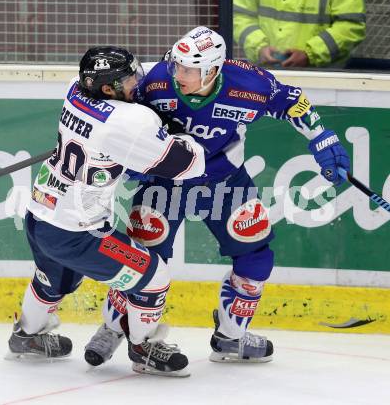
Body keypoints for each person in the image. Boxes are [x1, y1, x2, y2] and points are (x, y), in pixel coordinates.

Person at [84, 26, 350, 364]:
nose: (177, 74)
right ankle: (112, 327)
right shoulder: (154, 81)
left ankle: (231, 337)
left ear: (212, 70)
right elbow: (111, 112)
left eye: (187, 69)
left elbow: (292, 100)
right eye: (175, 64)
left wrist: (323, 138)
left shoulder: (249, 84)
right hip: (165, 181)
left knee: (255, 256)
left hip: (225, 181)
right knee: (141, 260)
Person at [6, 45, 208, 377]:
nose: (137, 82)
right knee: (153, 277)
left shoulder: (75, 89)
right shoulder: (127, 121)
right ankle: (143, 348)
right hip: (78, 232)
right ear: (108, 87)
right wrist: (179, 135)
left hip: (41, 213)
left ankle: (25, 337)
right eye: (129, 78)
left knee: (52, 282)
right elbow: (188, 164)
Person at [233, 0, 366, 68]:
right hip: (266, 73)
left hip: (321, 79)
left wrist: (310, 54)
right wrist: (259, 47)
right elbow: (239, 15)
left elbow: (350, 25)